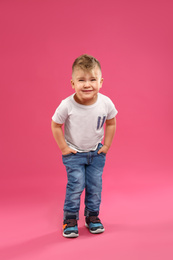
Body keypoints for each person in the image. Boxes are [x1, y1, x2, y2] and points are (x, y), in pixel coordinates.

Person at [51, 54, 118, 238]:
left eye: (92, 80)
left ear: (101, 82)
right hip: (74, 153)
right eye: (81, 80)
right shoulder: (67, 105)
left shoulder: (105, 103)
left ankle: (93, 217)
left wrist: (107, 145)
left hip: (96, 153)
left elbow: (111, 122)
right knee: (76, 185)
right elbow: (56, 124)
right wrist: (64, 148)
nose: (87, 85)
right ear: (73, 83)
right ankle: (70, 218)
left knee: (95, 186)